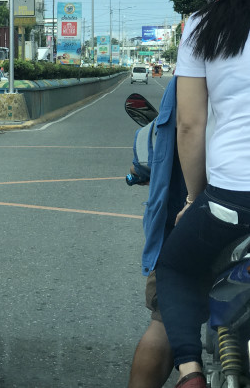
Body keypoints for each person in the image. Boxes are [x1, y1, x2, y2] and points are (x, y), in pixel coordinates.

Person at [155, 0, 250, 388]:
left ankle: (191, 369)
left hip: (232, 198)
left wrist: (194, 199)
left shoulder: (201, 27)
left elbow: (190, 125)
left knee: (173, 267)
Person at [126, 77, 186, 388]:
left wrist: (191, 199)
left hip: (197, 209)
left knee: (165, 320)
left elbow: (178, 127)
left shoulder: (203, 43)